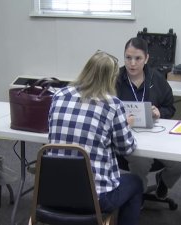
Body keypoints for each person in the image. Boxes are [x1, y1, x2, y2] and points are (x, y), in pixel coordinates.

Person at [48, 50, 143, 225]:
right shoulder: (112, 105)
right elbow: (126, 148)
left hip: (52, 193)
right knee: (136, 183)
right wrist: (125, 125)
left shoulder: (58, 95)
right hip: (95, 198)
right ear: (111, 78)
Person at [116, 37, 181, 200]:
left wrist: (160, 112)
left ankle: (163, 181)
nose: (132, 63)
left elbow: (170, 107)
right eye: (128, 57)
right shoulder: (115, 79)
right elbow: (104, 108)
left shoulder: (157, 79)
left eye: (138, 58)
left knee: (180, 162)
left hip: (155, 134)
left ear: (146, 58)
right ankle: (137, 196)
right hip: (125, 135)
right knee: (141, 160)